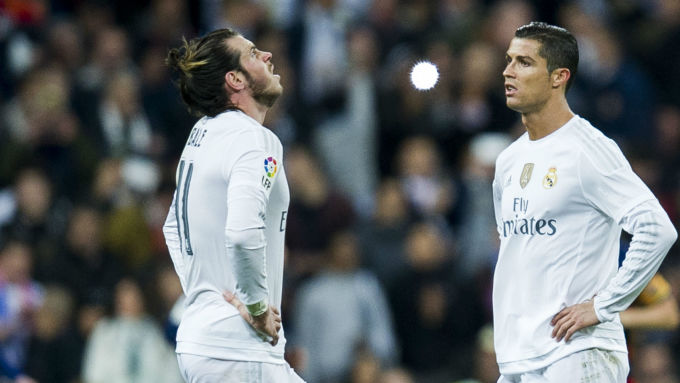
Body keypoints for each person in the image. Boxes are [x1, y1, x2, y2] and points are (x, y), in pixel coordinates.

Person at [492, 21, 677, 382]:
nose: (508, 71)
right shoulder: (508, 162)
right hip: (521, 356)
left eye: (524, 62)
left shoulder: (588, 149)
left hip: (579, 352)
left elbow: (657, 228)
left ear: (559, 76)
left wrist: (604, 306)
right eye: (509, 59)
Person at [162, 28, 304, 382]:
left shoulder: (202, 136)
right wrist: (255, 307)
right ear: (235, 79)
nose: (268, 55)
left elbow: (172, 229)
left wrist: (204, 293)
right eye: (254, 53)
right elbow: (242, 232)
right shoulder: (254, 139)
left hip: (206, 341)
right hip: (238, 348)